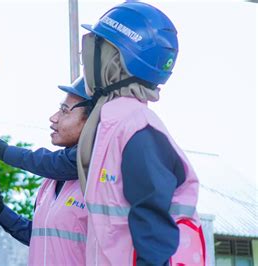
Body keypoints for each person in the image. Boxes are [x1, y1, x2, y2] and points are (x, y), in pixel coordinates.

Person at [76, 2, 206, 265]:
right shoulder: (112, 123)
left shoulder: (136, 128)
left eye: (94, 47)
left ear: (115, 62)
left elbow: (154, 238)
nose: (85, 56)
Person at [0, 77, 90, 265]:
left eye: (64, 111)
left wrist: (7, 152)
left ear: (92, 122)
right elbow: (41, 238)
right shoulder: (50, 181)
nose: (53, 118)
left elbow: (58, 163)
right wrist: (0, 212)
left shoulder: (97, 176)